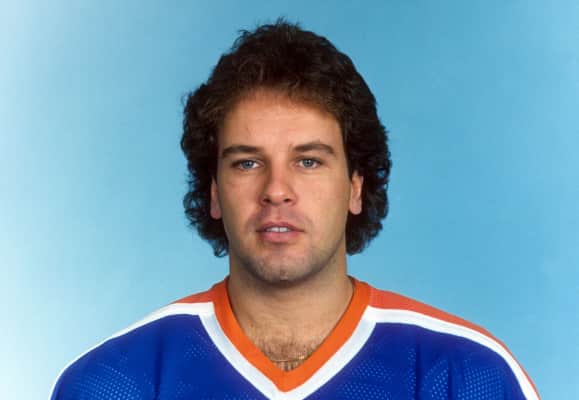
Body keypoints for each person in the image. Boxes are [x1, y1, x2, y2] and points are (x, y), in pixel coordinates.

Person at [50, 20, 540, 400]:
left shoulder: (467, 375)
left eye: (308, 161)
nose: (276, 191)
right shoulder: (115, 381)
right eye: (247, 163)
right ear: (214, 192)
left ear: (355, 187)